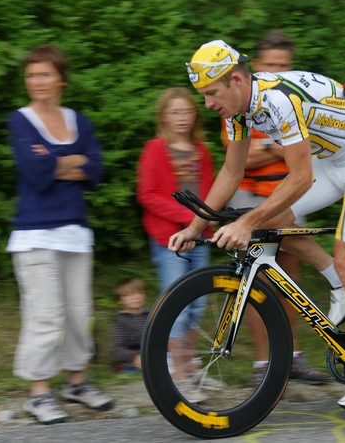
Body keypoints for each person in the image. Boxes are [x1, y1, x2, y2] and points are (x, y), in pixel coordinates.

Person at [172, 40, 345, 409]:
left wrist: (246, 221)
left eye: (211, 93)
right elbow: (233, 171)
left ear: (235, 80)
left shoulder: (276, 99)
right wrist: (194, 227)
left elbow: (299, 178)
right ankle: (337, 282)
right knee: (273, 218)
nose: (208, 104)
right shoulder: (237, 112)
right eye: (203, 96)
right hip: (334, 158)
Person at [6, 44, 112, 425]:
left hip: (75, 232)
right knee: (45, 316)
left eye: (45, 74)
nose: (37, 82)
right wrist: (70, 162)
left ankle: (76, 383)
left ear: (62, 80)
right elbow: (34, 172)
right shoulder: (19, 120)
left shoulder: (78, 121)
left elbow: (96, 169)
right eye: (32, 75)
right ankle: (38, 393)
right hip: (34, 234)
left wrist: (55, 163)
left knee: (77, 314)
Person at [220, 31, 329, 385]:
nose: (278, 72)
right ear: (256, 69)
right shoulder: (236, 104)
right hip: (252, 197)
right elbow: (241, 162)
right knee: (257, 280)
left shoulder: (286, 99)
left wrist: (271, 150)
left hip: (291, 191)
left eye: (285, 66)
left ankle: (293, 356)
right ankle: (263, 362)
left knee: (291, 277)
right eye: (271, 66)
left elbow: (302, 155)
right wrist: (275, 148)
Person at [137, 87, 219, 402]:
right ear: (164, 117)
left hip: (200, 237)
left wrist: (206, 220)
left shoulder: (201, 150)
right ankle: (179, 377)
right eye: (175, 112)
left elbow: (211, 191)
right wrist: (188, 217)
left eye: (186, 111)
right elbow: (148, 194)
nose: (181, 118)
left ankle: (190, 368)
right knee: (176, 306)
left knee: (196, 304)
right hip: (170, 239)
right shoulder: (155, 148)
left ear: (195, 114)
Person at [110, 277, 148, 374]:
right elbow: (117, 350)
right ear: (120, 300)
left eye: (139, 293)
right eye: (130, 295)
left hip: (152, 354)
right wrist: (135, 357)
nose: (136, 297)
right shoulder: (120, 320)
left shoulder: (150, 316)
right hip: (132, 359)